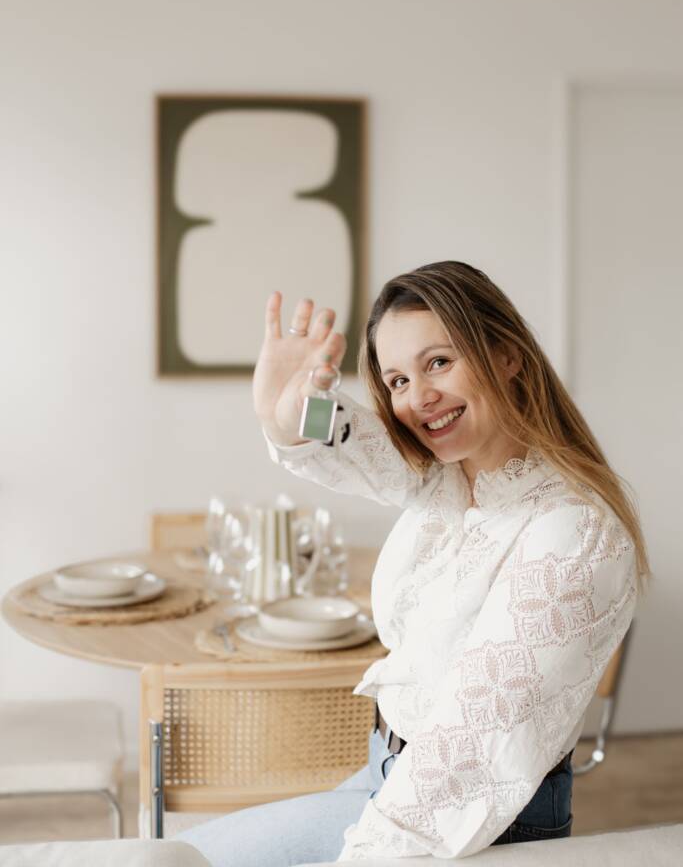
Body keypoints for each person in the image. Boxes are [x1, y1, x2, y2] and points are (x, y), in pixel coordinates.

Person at [178, 260, 648, 866]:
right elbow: (347, 440)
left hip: (470, 814)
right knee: (178, 853)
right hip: (389, 772)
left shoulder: (572, 532)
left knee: (187, 857)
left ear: (507, 355)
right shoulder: (449, 477)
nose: (418, 398)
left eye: (438, 363)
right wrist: (286, 413)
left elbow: (469, 754)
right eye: (397, 380)